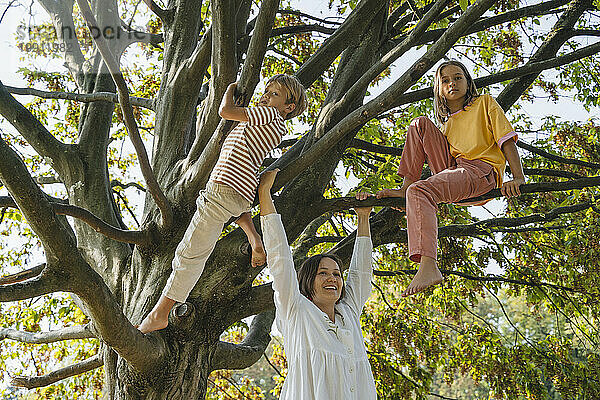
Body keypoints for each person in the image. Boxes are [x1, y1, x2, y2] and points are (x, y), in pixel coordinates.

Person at [138, 75, 307, 333]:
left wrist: (228, 89)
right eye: (266, 92)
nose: (265, 96)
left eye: (274, 94)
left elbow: (225, 111)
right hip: (239, 191)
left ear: (289, 107)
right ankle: (254, 238)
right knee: (219, 226)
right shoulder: (269, 123)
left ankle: (161, 313)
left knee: (190, 253)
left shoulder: (269, 116)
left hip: (223, 187)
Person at [376, 60, 525, 297]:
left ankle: (428, 265)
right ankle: (406, 188)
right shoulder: (445, 126)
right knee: (420, 124)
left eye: (457, 78)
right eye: (445, 81)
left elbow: (506, 140)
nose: (452, 83)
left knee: (420, 191)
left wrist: (517, 177)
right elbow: (443, 160)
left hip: (481, 171)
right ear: (438, 88)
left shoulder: (484, 103)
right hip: (454, 171)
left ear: (468, 82)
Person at [258, 169, 377, 399]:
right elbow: (280, 259)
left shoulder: (349, 314)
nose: (333, 278)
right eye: (323, 273)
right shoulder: (297, 311)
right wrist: (265, 194)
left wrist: (363, 218)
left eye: (337, 274)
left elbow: (361, 273)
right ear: (307, 280)